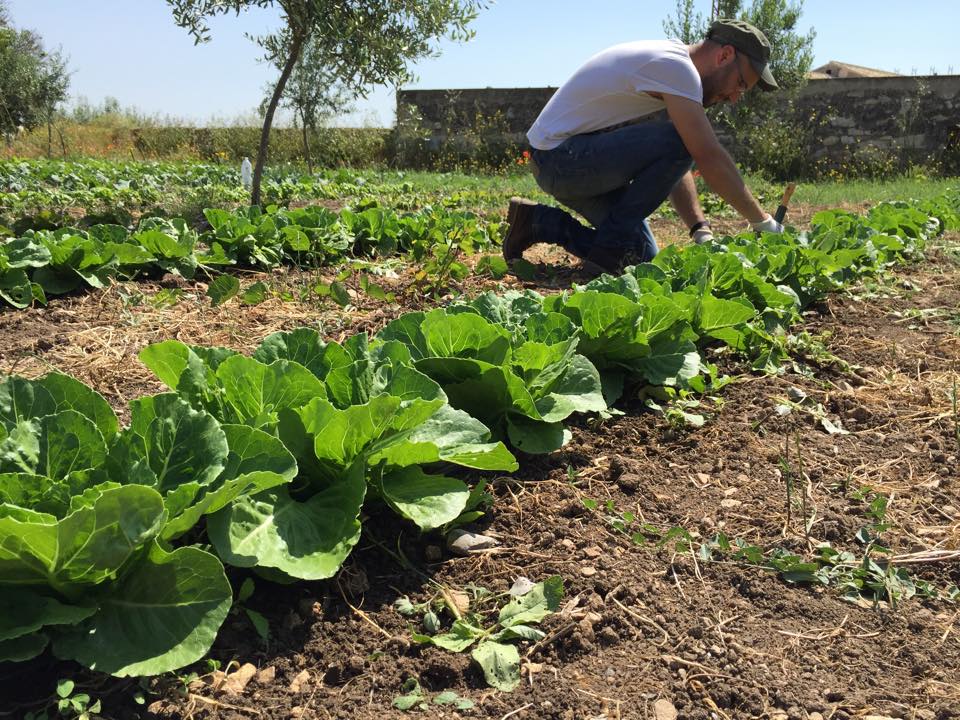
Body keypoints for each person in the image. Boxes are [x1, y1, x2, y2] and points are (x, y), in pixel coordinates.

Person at [502, 19, 785, 272]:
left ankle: (537, 221)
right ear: (724, 55)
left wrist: (700, 229)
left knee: (640, 257)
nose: (735, 97)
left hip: (569, 162)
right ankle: (610, 247)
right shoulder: (676, 69)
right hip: (560, 159)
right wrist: (762, 222)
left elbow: (672, 163)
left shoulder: (673, 74)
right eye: (741, 84)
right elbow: (707, 155)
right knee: (679, 143)